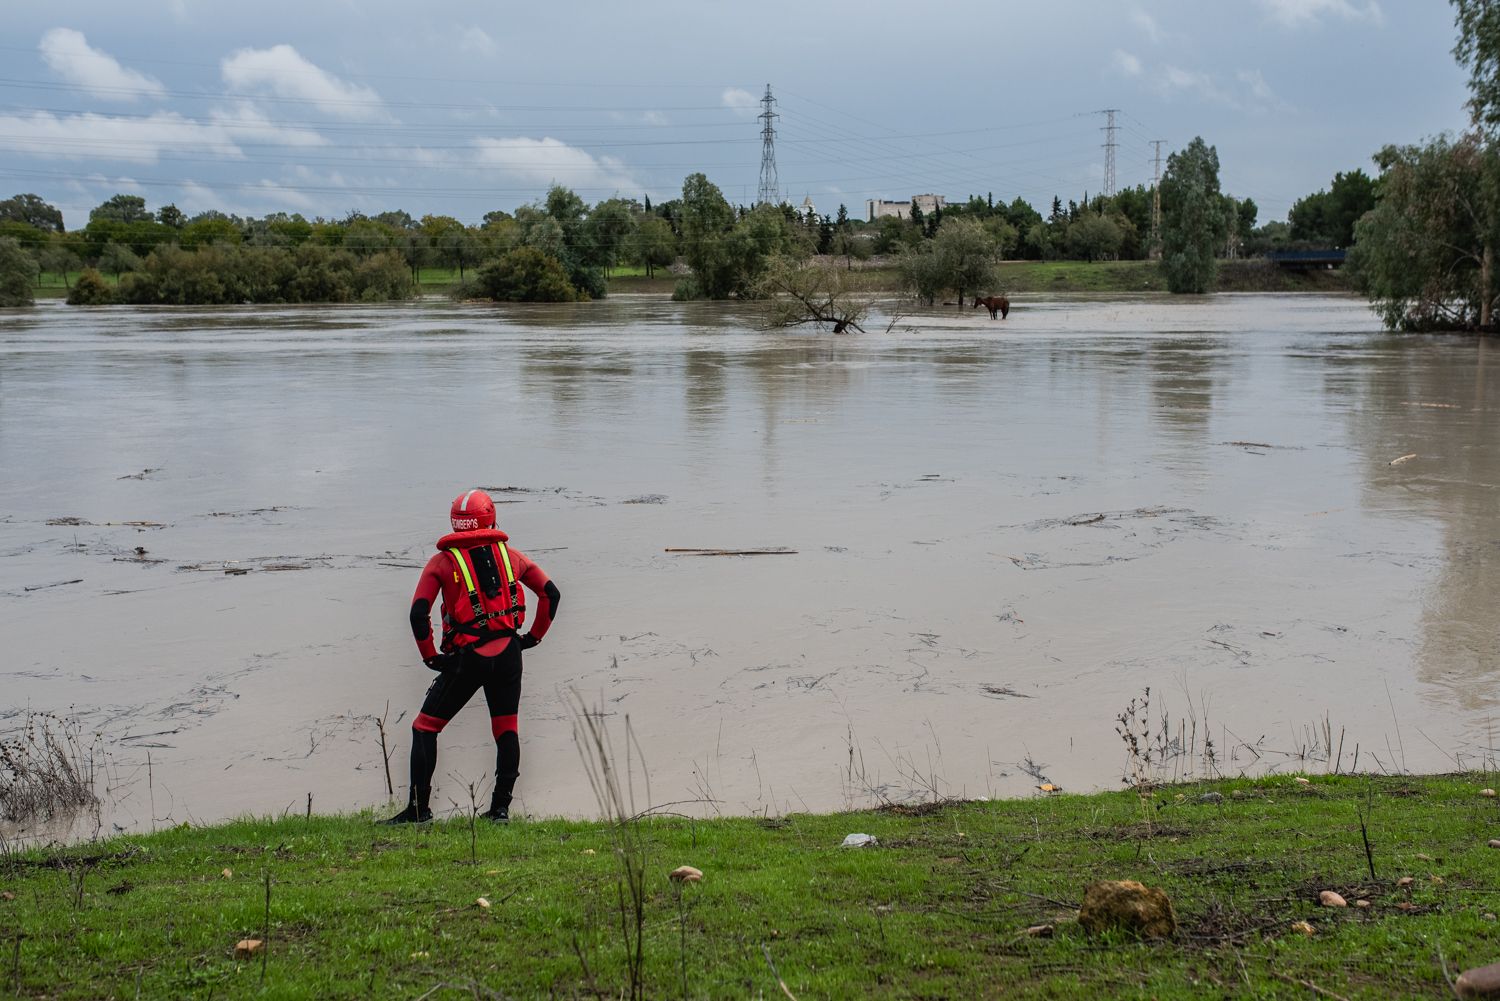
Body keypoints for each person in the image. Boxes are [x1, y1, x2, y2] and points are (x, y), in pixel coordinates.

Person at [383, 488, 560, 824]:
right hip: (509, 654)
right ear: (491, 517)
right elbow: (550, 594)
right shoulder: (512, 557)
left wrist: (430, 657)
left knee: (425, 728)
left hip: (468, 659)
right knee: (506, 729)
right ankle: (500, 810)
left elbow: (418, 614)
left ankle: (418, 812)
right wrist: (532, 638)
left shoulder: (441, 562)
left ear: (455, 522)